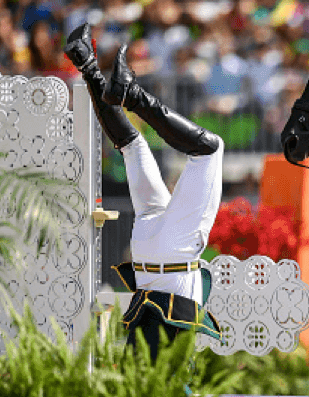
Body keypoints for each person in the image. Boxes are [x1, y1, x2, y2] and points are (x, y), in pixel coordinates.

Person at [63, 23, 223, 363]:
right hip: (152, 255)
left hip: (168, 257)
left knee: (197, 150)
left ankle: (113, 84)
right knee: (135, 147)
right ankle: (89, 67)